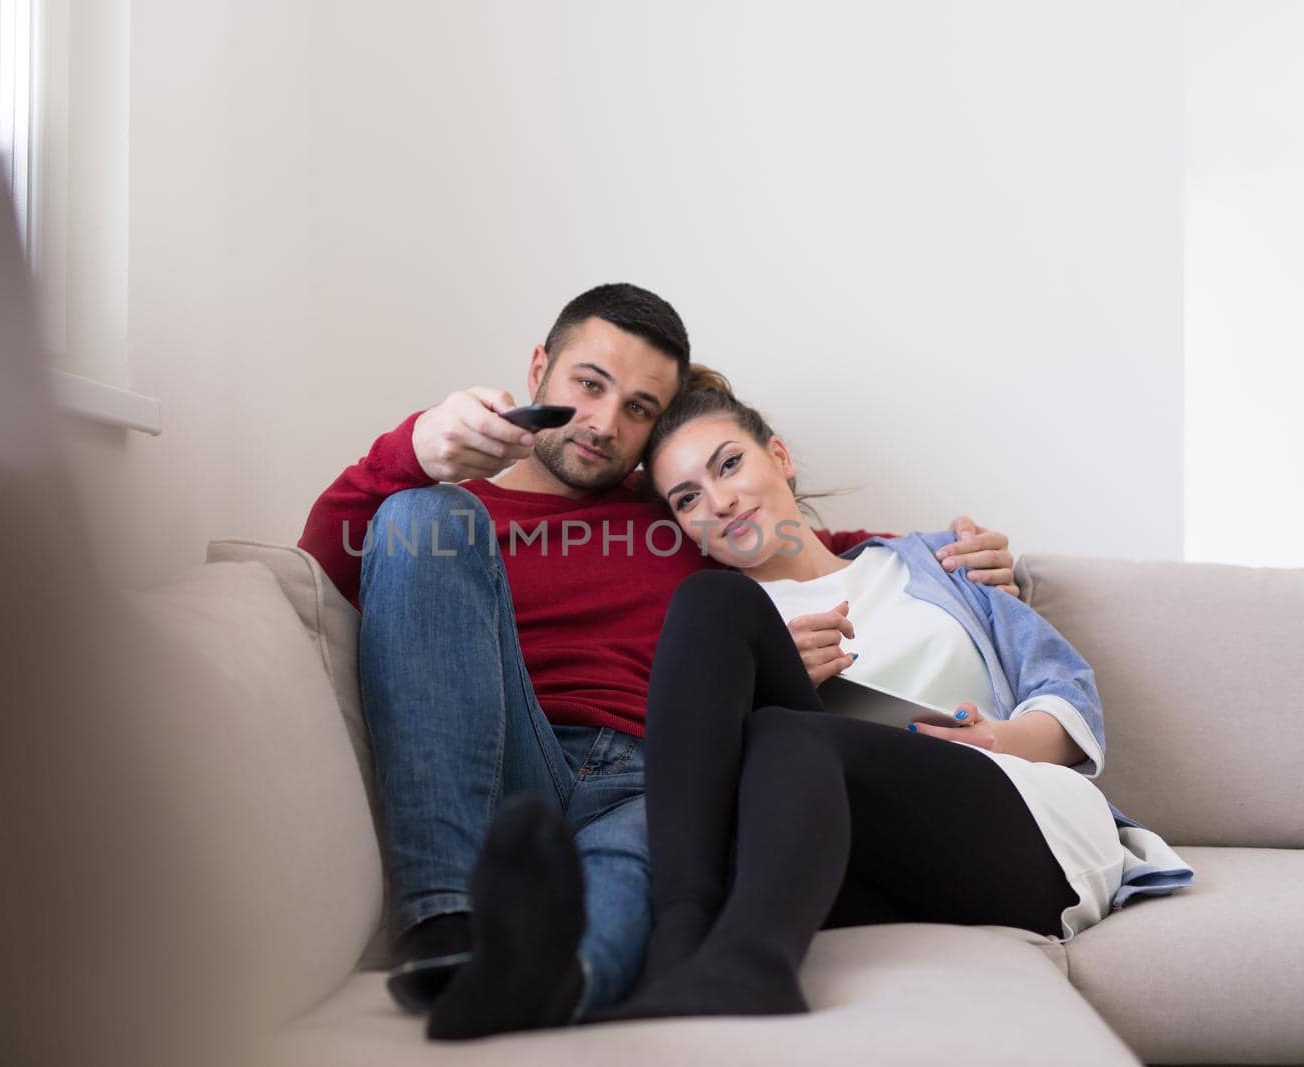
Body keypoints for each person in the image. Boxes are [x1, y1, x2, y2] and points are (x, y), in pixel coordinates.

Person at [298, 285, 1021, 1039]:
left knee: (641, 864)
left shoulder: (682, 509)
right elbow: (319, 564)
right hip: (511, 752)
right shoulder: (463, 514)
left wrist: (953, 557)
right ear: (540, 366)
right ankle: (447, 923)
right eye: (589, 385)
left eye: (640, 408)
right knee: (421, 515)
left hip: (659, 773)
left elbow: (810, 548)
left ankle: (549, 982)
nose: (605, 424)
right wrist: (413, 451)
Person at [566, 367, 1193, 1020]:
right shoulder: (726, 633)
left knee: (790, 729)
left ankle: (730, 961)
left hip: (1016, 818)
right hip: (851, 850)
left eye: (729, 464)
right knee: (723, 624)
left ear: (779, 456)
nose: (718, 502)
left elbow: (1065, 690)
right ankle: (688, 945)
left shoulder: (934, 560)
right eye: (686, 498)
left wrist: (996, 737)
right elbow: (712, 779)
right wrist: (769, 683)